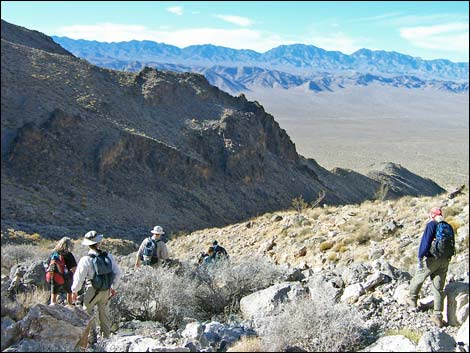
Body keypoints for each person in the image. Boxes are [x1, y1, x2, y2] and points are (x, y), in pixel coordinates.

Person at [407, 207, 455, 327]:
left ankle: (412, 300)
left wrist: (420, 256)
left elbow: (426, 242)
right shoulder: (447, 226)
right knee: (438, 288)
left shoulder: (431, 225)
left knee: (419, 278)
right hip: (445, 260)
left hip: (432, 259)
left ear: (432, 215)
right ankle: (438, 315)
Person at [71, 231, 122, 343]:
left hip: (92, 290)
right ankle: (106, 338)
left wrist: (74, 291)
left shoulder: (86, 259)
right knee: (104, 314)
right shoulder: (108, 256)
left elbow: (79, 278)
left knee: (86, 312)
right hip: (106, 290)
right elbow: (118, 273)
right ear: (98, 242)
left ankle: (92, 336)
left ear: (88, 244)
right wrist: (113, 287)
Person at [46, 237, 77, 305]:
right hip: (65, 277)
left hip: (54, 276)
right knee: (69, 292)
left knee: (53, 295)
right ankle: (70, 306)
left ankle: (52, 308)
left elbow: (47, 264)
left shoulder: (53, 253)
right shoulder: (68, 254)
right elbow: (74, 269)